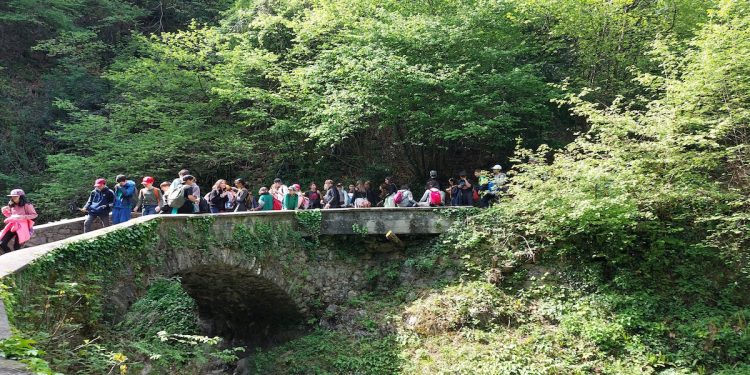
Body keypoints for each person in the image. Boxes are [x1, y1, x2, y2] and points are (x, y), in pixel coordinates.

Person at [1, 189, 37, 254]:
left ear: (21, 196)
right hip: (12, 226)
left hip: (22, 227)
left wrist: (21, 217)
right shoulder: (11, 204)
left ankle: (17, 259)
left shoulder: (27, 205)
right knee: (2, 243)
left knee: (16, 247)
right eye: (12, 196)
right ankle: (10, 256)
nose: (13, 197)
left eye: (15, 196)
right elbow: (11, 216)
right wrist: (4, 211)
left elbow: (34, 215)